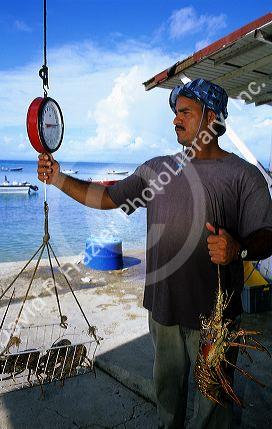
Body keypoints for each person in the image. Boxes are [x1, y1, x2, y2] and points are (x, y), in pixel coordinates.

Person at [38, 78, 272, 428]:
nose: (175, 120)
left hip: (216, 320)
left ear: (212, 119)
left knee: (214, 408)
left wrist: (238, 250)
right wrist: (58, 178)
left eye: (185, 112)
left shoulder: (243, 175)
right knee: (167, 401)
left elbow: (267, 235)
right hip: (163, 310)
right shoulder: (157, 169)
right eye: (176, 113)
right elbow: (107, 197)